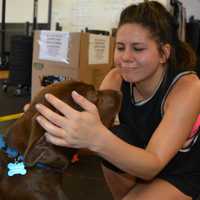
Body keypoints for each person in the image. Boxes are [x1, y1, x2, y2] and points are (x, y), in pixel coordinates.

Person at [34, 1, 200, 200]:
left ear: (164, 53)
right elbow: (89, 140)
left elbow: (152, 163)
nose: (125, 57)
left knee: (107, 140)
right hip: (136, 161)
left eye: (138, 49)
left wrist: (95, 138)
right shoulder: (115, 78)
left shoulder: (188, 87)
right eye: (120, 47)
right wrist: (55, 126)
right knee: (116, 136)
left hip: (180, 171)